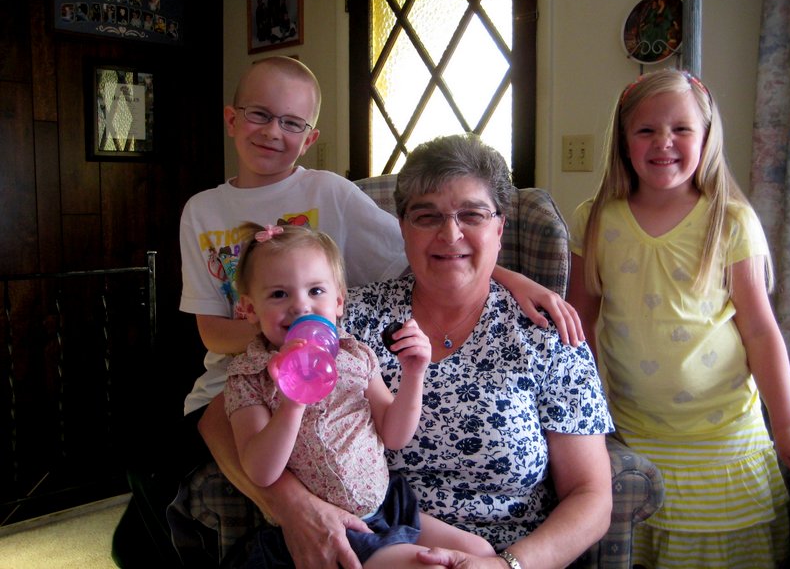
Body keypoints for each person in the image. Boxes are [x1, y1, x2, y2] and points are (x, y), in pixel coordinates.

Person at [112, 56, 581, 568]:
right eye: (258, 115)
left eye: (292, 122)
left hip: (360, 451)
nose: (273, 132)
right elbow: (211, 335)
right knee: (147, 483)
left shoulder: (331, 199)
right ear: (231, 118)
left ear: (310, 138)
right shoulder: (203, 211)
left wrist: (508, 277)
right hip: (235, 381)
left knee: (475, 552)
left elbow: (430, 249)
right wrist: (293, 343)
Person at [197, 133, 614, 569]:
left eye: (472, 215)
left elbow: (591, 495)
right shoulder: (342, 319)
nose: (450, 234)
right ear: (403, 228)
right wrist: (296, 508)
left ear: (499, 227)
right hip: (362, 542)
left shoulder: (547, 334)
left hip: (506, 552)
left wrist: (507, 565)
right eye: (426, 216)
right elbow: (220, 419)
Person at [567, 68, 790, 568]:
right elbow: (579, 324)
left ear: (707, 137)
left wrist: (788, 426)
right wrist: (582, 419)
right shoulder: (596, 218)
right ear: (624, 140)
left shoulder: (730, 220)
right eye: (646, 130)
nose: (663, 142)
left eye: (681, 129)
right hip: (635, 433)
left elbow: (760, 330)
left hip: (725, 439)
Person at [226, 222, 494, 567]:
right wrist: (293, 399)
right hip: (336, 530)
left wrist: (414, 374)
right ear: (249, 309)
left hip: (386, 505)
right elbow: (261, 472)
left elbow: (394, 436)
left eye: (316, 291)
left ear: (338, 301)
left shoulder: (355, 355)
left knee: (481, 552)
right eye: (279, 294)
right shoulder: (248, 377)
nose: (301, 306)